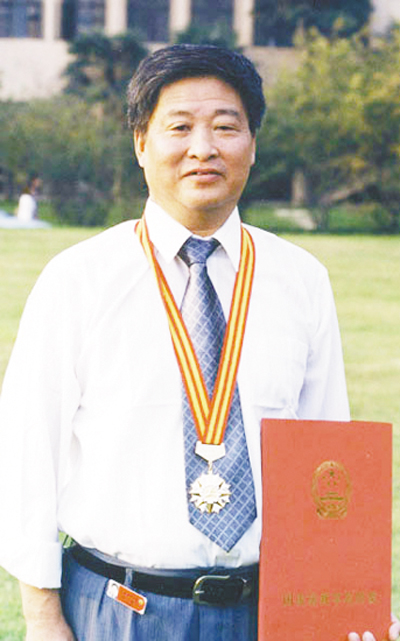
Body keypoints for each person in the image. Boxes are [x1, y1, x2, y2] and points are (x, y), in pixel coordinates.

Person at [0, 44, 398, 641]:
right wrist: (41, 616)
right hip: (118, 609)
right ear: (141, 143)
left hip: (265, 612)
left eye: (226, 127)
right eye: (180, 127)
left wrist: (340, 608)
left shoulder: (301, 279)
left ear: (253, 144)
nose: (204, 148)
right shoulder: (78, 280)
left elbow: (326, 456)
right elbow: (27, 453)